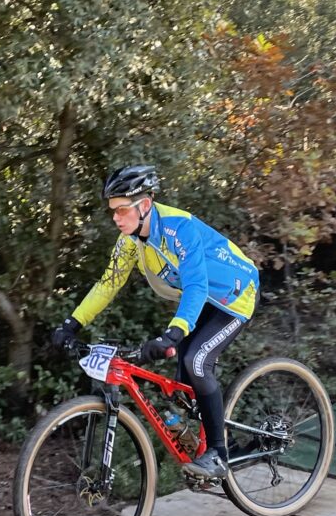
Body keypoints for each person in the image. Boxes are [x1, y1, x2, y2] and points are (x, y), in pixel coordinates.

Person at [52, 165, 260, 480]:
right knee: (181, 386)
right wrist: (72, 324)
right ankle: (211, 440)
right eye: (113, 211)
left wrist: (173, 333)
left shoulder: (180, 229)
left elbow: (196, 286)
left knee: (196, 361)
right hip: (203, 300)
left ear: (145, 205)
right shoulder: (130, 242)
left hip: (235, 295)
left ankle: (218, 453)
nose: (116, 218)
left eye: (122, 209)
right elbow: (108, 284)